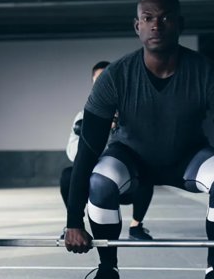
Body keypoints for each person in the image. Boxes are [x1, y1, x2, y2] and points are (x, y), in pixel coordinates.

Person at [64, 0, 214, 279]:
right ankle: (107, 270)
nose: (156, 25)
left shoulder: (209, 75)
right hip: (130, 159)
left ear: (179, 24)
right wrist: (73, 222)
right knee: (101, 180)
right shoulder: (115, 76)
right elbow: (87, 151)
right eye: (148, 18)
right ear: (138, 26)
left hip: (186, 158)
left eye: (165, 18)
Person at [60, 61, 154, 240]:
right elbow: (73, 155)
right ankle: (74, 227)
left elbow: (144, 148)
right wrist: (96, 133)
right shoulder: (83, 116)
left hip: (124, 178)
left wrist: (117, 130)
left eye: (107, 79)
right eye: (99, 80)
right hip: (93, 176)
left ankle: (136, 226)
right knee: (67, 176)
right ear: (93, 85)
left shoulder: (131, 112)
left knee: (146, 174)